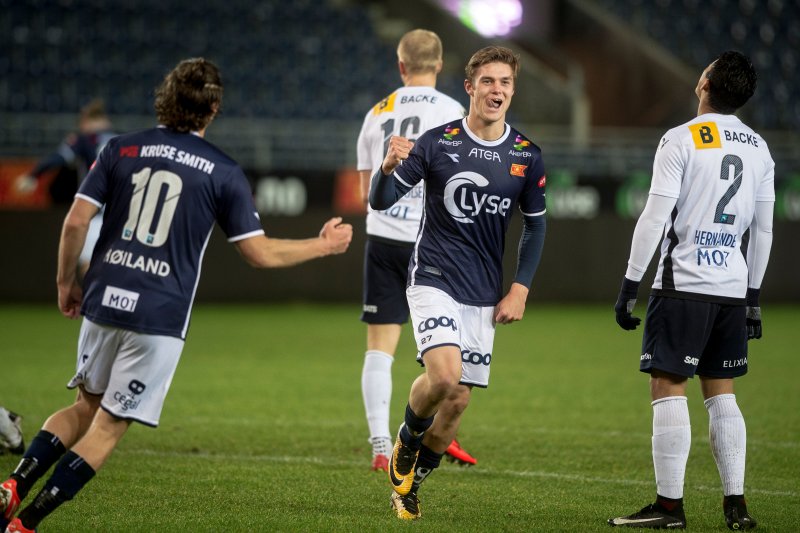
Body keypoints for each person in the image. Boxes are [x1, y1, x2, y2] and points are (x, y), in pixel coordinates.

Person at [0, 57, 353, 533]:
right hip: (159, 317)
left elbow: (76, 223)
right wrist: (323, 245)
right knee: (106, 426)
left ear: (164, 98)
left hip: (103, 299)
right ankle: (26, 526)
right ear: (213, 109)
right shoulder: (224, 171)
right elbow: (259, 254)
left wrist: (66, 283)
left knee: (83, 405)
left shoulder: (120, 150)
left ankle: (14, 486)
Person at [370, 45, 547, 520]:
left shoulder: (527, 156)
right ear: (469, 87)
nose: (497, 90)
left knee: (457, 401)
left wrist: (520, 287)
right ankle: (405, 443)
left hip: (484, 289)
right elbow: (382, 201)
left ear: (513, 89)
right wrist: (385, 169)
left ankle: (408, 487)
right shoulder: (436, 142)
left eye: (505, 82)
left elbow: (536, 225)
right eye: (488, 81)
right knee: (444, 376)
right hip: (433, 275)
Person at [608, 51, 773, 531]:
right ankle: (736, 506)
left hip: (683, 284)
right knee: (722, 394)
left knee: (668, 384)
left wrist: (629, 284)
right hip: (732, 288)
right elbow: (763, 232)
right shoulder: (760, 148)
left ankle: (669, 507)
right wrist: (754, 297)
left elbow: (655, 216)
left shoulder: (681, 139)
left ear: (705, 82)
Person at [356, 28, 477, 473]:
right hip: (433, 243)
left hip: (384, 238)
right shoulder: (453, 111)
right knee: (443, 346)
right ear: (440, 64)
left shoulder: (376, 112)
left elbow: (365, 187)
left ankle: (380, 446)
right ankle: (440, 434)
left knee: (379, 348)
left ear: (401, 65)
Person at [15, 99, 118, 276]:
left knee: (90, 268)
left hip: (94, 214)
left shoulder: (83, 140)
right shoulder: (122, 139)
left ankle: (92, 303)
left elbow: (58, 158)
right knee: (113, 267)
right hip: (119, 215)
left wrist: (33, 175)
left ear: (85, 121)